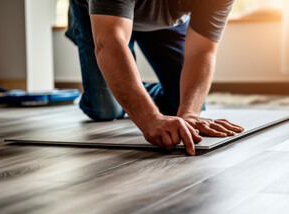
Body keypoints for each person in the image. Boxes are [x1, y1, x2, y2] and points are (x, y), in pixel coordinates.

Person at [67, 0, 244, 156]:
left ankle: (134, 90)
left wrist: (189, 113)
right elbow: (109, 42)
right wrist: (149, 118)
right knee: (106, 110)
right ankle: (106, 91)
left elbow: (202, 51)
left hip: (163, 21)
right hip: (103, 16)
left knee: (184, 104)